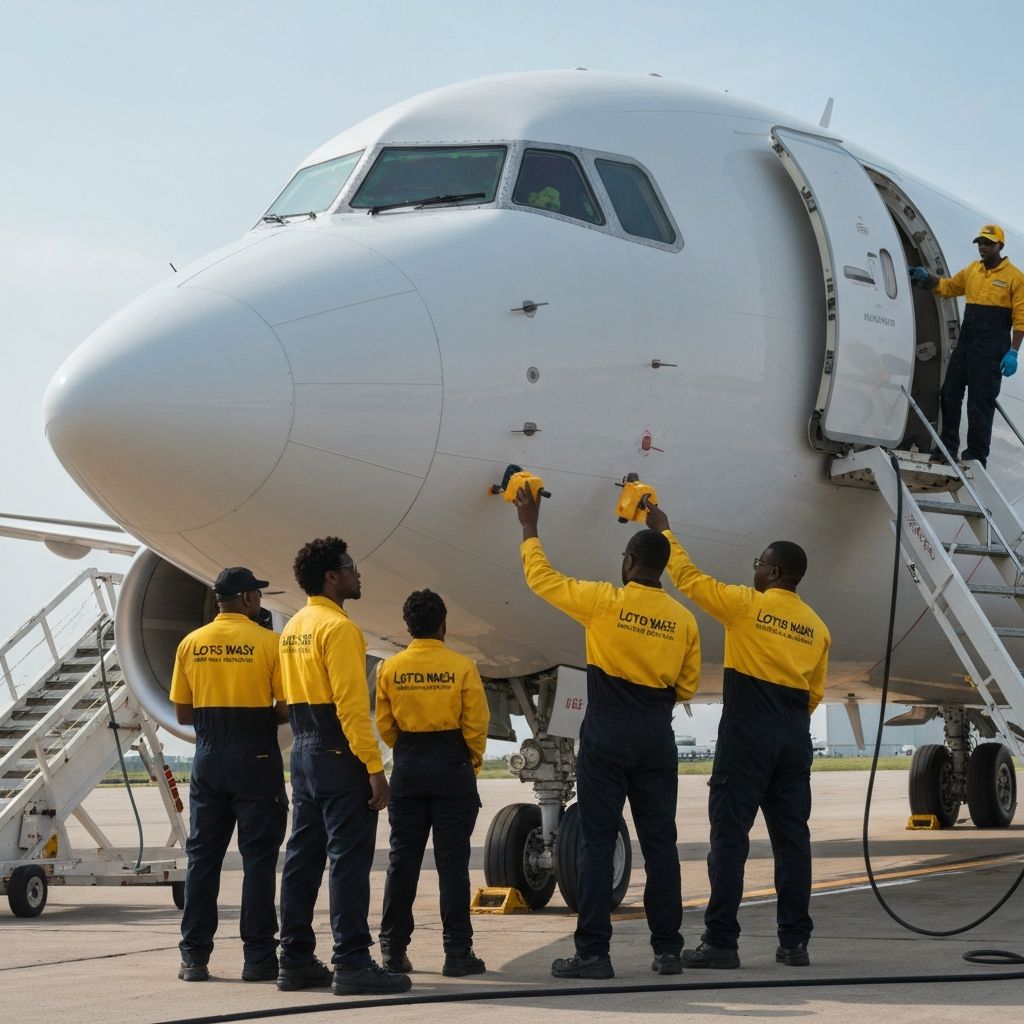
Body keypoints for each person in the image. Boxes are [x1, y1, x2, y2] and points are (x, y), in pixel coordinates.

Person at [512, 486, 701, 979]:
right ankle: (668, 951)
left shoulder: (604, 602)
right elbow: (687, 686)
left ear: (629, 562)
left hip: (608, 731)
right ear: (661, 568)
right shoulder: (684, 620)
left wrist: (529, 526)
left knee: (596, 844)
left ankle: (594, 954)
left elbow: (542, 579)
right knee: (661, 847)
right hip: (656, 733)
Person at [644, 503, 830, 969]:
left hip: (748, 732)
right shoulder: (817, 628)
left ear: (776, 572)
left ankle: (721, 942)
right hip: (793, 735)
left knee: (729, 841)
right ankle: (795, 943)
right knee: (793, 843)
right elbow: (814, 695)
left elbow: (689, 579)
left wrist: (665, 533)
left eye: (760, 564)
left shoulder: (747, 606)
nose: (756, 570)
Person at [276, 537, 411, 997]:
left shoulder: (293, 627)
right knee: (348, 862)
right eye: (351, 567)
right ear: (332, 577)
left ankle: (294, 959)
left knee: (302, 859)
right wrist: (374, 767)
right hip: (337, 750)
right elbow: (351, 707)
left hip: (303, 750)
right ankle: (352, 961)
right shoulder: (340, 629)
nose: (358, 573)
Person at [169, 566, 289, 983]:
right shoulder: (269, 643)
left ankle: (194, 957)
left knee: (203, 859)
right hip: (255, 754)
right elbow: (285, 708)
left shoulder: (191, 643)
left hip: (208, 755)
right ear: (248, 599)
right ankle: (258, 957)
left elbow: (182, 713)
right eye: (258, 596)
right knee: (258, 859)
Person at [375, 589, 490, 977]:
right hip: (451, 763)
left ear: (408, 627)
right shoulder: (462, 667)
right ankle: (457, 953)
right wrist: (470, 761)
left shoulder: (390, 668)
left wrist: (407, 750)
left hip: (408, 764)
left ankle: (393, 951)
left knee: (401, 862)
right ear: (443, 625)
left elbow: (384, 725)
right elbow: (476, 723)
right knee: (452, 864)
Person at [909, 224, 1024, 467]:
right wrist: (927, 278)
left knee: (979, 403)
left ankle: (976, 454)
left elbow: (1021, 318)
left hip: (992, 348)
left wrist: (1013, 351)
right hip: (967, 343)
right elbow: (948, 287)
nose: (982, 247)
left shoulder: (1015, 277)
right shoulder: (973, 270)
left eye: (987, 243)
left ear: (999, 246)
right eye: (980, 242)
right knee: (949, 394)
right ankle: (947, 447)